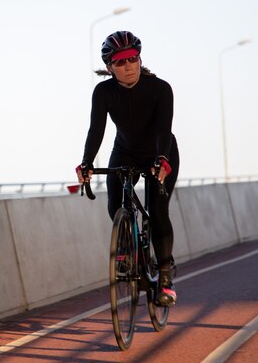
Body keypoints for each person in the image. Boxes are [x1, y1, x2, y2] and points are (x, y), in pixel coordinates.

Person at [76, 30, 180, 306]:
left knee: (157, 211)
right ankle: (126, 251)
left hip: (161, 152)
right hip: (125, 152)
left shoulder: (160, 89)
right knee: (115, 203)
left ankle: (165, 276)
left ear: (139, 59)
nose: (128, 66)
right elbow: (96, 130)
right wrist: (86, 162)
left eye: (132, 59)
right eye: (120, 62)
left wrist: (161, 159)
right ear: (110, 68)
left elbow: (163, 130)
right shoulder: (103, 92)